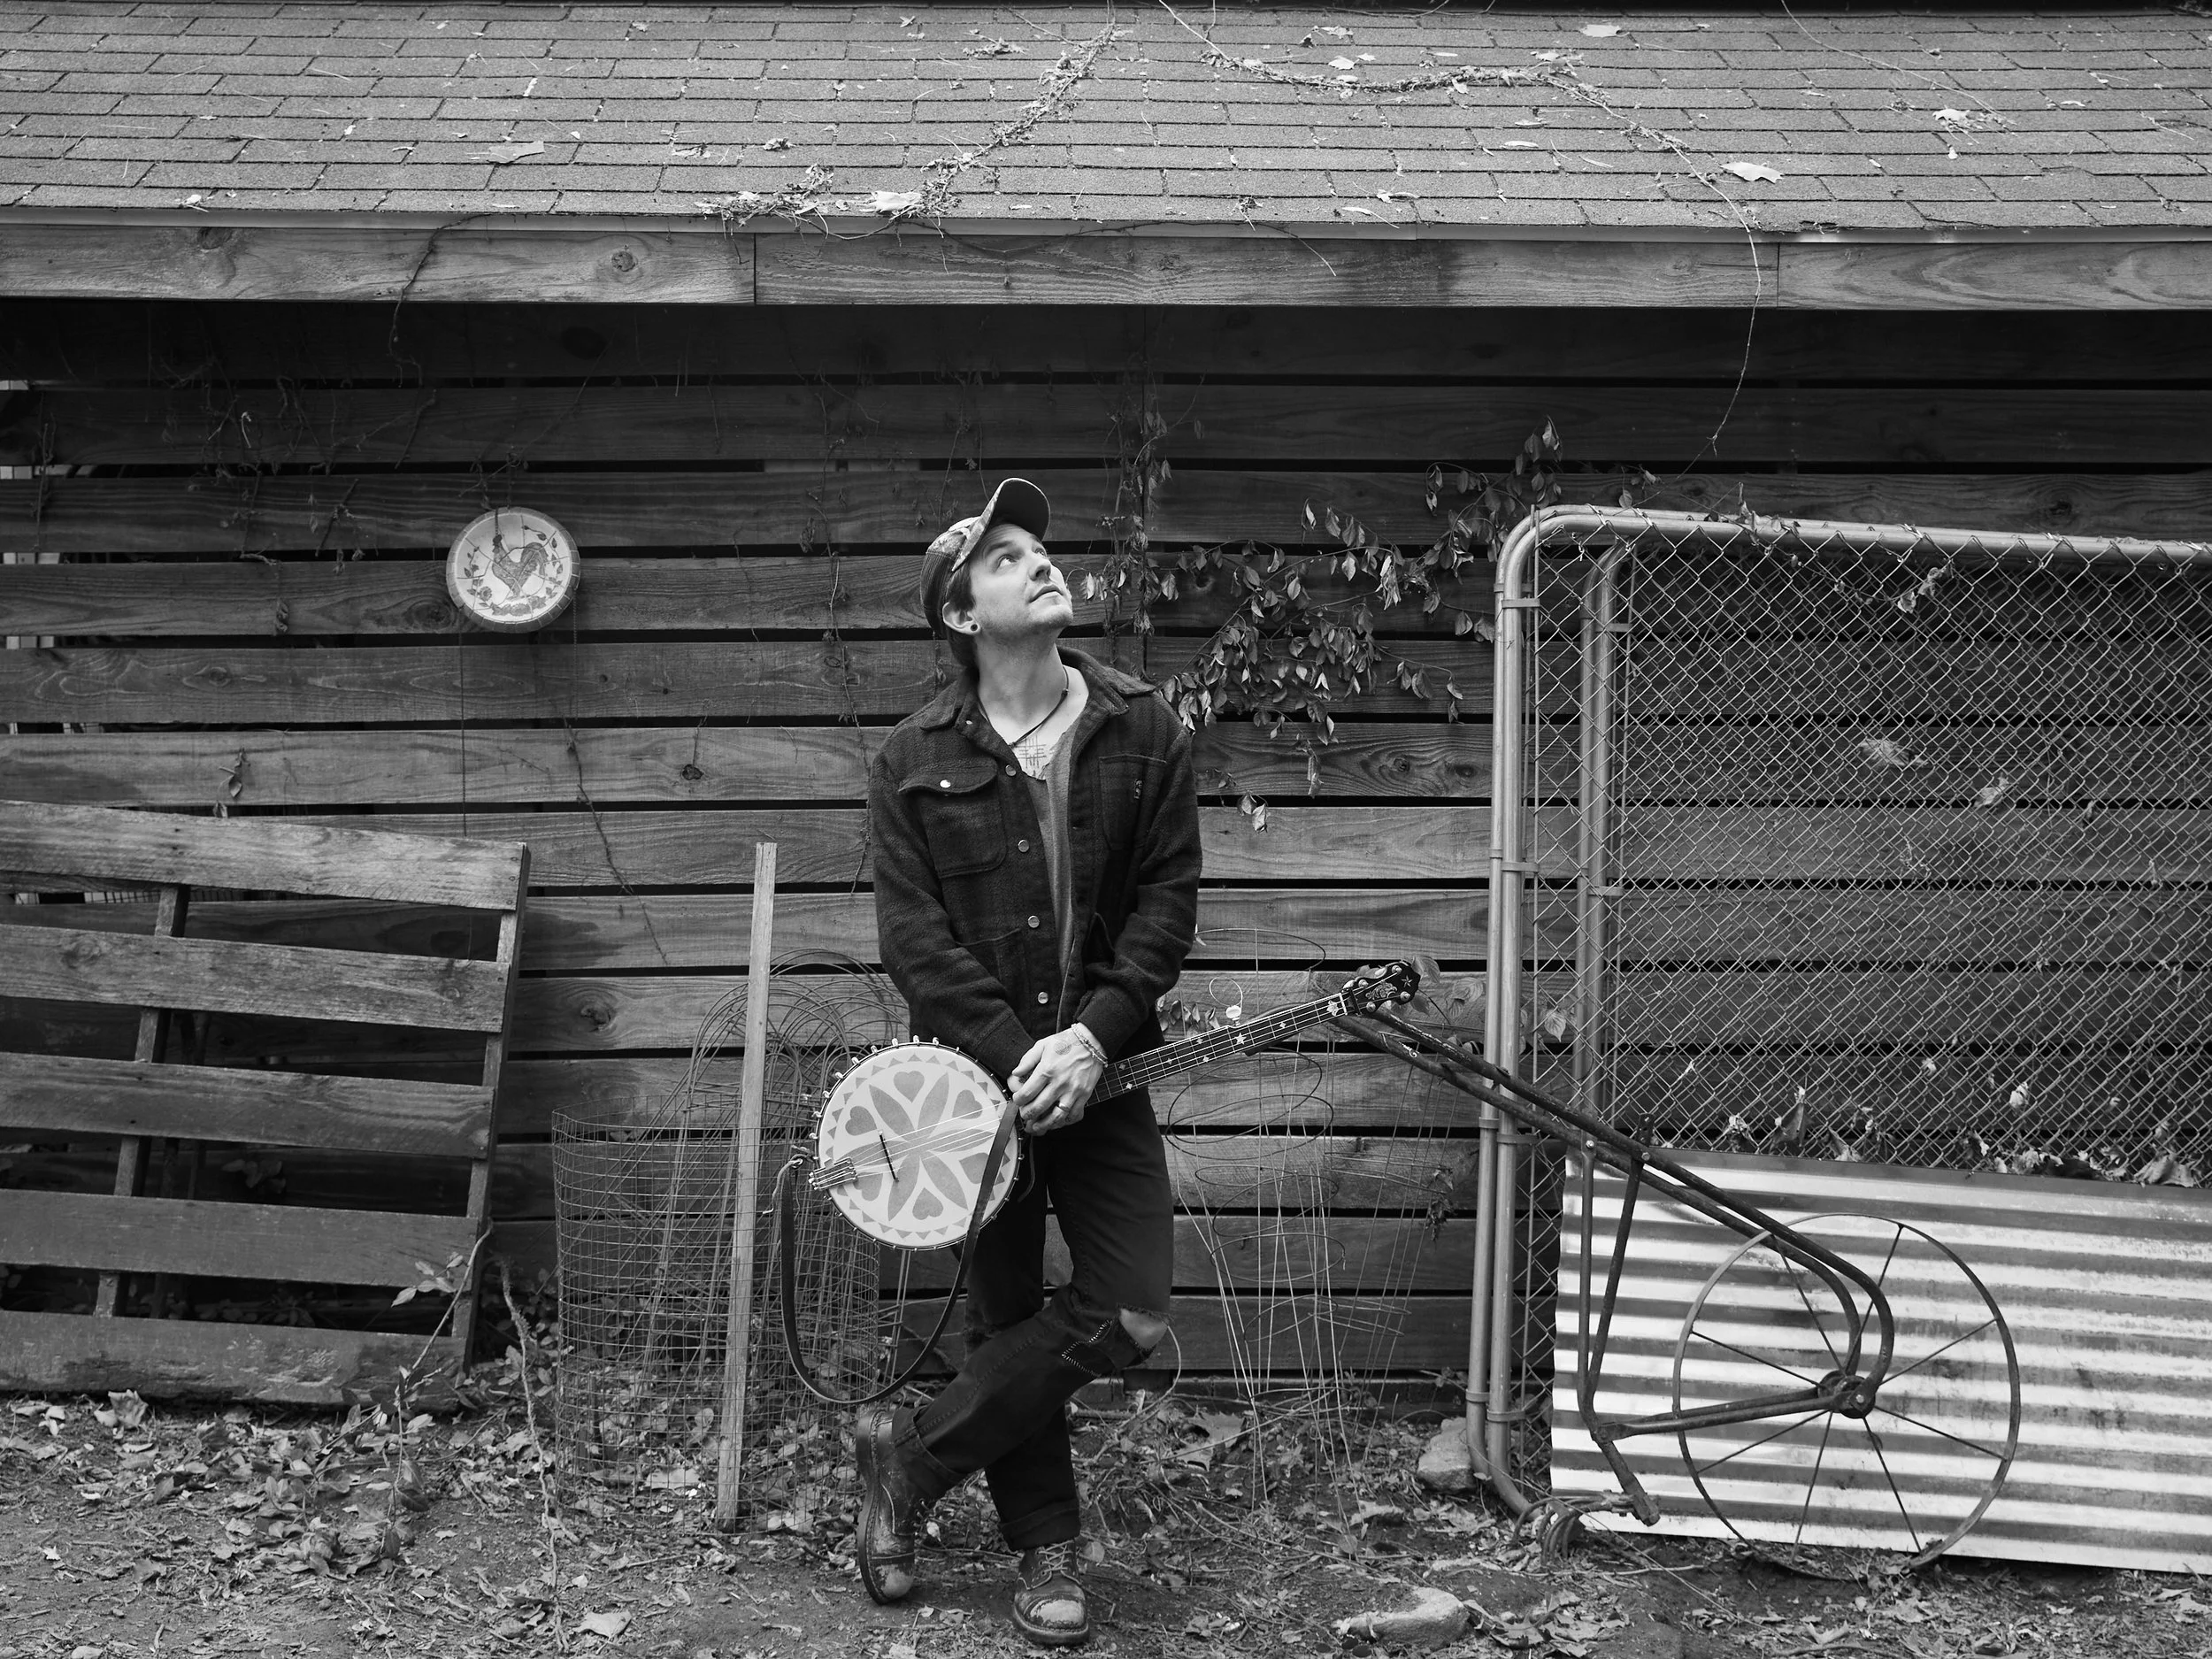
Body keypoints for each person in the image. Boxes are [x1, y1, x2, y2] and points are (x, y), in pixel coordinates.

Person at [856, 477, 1202, 1647]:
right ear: (962, 615)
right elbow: (915, 942)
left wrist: (1092, 1035)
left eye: (1035, 548)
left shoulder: (1143, 727)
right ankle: (1048, 1550)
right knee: (1009, 1308)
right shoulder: (911, 757)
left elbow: (1166, 907)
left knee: (1133, 1310)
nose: (1038, 562)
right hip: (974, 1089)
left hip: (1105, 1073)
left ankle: (909, 1459)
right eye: (1003, 557)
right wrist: (1017, 1055)